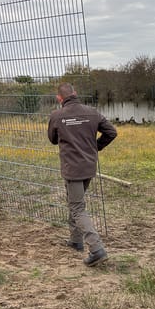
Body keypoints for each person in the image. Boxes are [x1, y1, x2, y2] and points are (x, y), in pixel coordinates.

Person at [48, 82, 117, 267]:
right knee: (74, 201)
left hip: (72, 169)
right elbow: (111, 132)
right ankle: (76, 241)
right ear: (75, 93)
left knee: (77, 207)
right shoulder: (92, 112)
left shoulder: (57, 115)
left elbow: (53, 139)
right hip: (88, 166)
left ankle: (96, 249)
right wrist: (96, 147)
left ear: (59, 98)